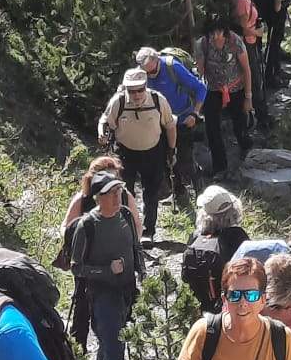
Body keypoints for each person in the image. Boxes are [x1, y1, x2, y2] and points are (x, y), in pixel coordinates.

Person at [70, 175, 144, 360]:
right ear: (98, 198)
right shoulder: (87, 226)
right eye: (111, 193)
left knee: (113, 341)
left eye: (118, 192)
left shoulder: (126, 215)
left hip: (128, 289)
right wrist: (105, 270)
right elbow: (76, 267)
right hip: (103, 294)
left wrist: (142, 271)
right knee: (114, 343)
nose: (116, 197)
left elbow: (135, 246)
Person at [98, 66, 175, 239]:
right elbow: (105, 120)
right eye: (132, 91)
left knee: (151, 193)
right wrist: (101, 133)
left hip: (153, 152)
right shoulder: (118, 102)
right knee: (124, 192)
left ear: (146, 86)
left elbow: (170, 125)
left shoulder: (157, 100)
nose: (137, 95)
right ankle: (128, 230)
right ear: (126, 89)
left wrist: (171, 149)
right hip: (125, 153)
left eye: (140, 89)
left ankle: (148, 231)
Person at [138, 46, 207, 208]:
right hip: (159, 124)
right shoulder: (140, 73)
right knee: (165, 160)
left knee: (185, 159)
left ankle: (201, 192)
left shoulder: (172, 67)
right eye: (146, 72)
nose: (149, 75)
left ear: (156, 60)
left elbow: (200, 88)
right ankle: (179, 194)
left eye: (152, 70)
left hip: (182, 120)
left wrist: (195, 114)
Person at [197, 13, 254, 176]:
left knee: (240, 123)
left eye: (219, 32)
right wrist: (198, 100)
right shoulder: (203, 44)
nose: (216, 36)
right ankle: (220, 167)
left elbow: (246, 69)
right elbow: (200, 72)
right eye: (212, 32)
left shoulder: (235, 42)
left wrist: (248, 97)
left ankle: (247, 151)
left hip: (236, 88)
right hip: (213, 89)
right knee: (212, 128)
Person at [179, 187, 249, 311]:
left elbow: (185, 277)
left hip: (199, 305)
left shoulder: (196, 237)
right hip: (230, 305)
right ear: (233, 211)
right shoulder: (238, 236)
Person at [228, 0, 268, 130]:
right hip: (247, 42)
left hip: (251, 41)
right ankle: (259, 115)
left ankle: (255, 112)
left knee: (254, 75)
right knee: (253, 76)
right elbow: (243, 28)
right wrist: (258, 32)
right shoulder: (242, 2)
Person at [250, 0, 288, 99]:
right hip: (273, 10)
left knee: (256, 43)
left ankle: (257, 76)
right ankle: (271, 76)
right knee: (274, 42)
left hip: (256, 8)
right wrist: (278, 7)